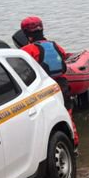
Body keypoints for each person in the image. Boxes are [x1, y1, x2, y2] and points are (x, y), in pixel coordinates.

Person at [19, 16, 79, 146]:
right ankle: (74, 143)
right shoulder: (54, 45)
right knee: (68, 115)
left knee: (48, 122)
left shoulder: (27, 50)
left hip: (44, 88)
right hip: (62, 85)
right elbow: (63, 55)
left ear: (26, 34)